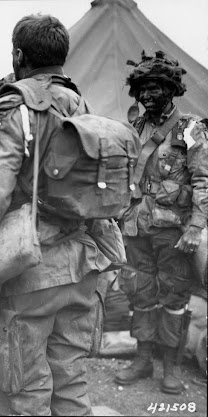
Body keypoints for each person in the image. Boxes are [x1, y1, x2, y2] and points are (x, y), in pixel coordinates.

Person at [0, 14, 111, 415]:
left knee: (23, 390)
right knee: (70, 384)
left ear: (18, 54)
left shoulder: (16, 107)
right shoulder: (79, 102)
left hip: (30, 270)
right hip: (82, 265)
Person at [114, 51, 208, 394]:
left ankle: (169, 368)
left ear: (170, 89)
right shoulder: (135, 127)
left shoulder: (190, 128)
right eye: (141, 89)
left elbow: (203, 180)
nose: (146, 95)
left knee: (173, 298)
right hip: (136, 226)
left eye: (153, 88)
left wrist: (196, 226)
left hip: (174, 230)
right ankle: (142, 360)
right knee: (139, 293)